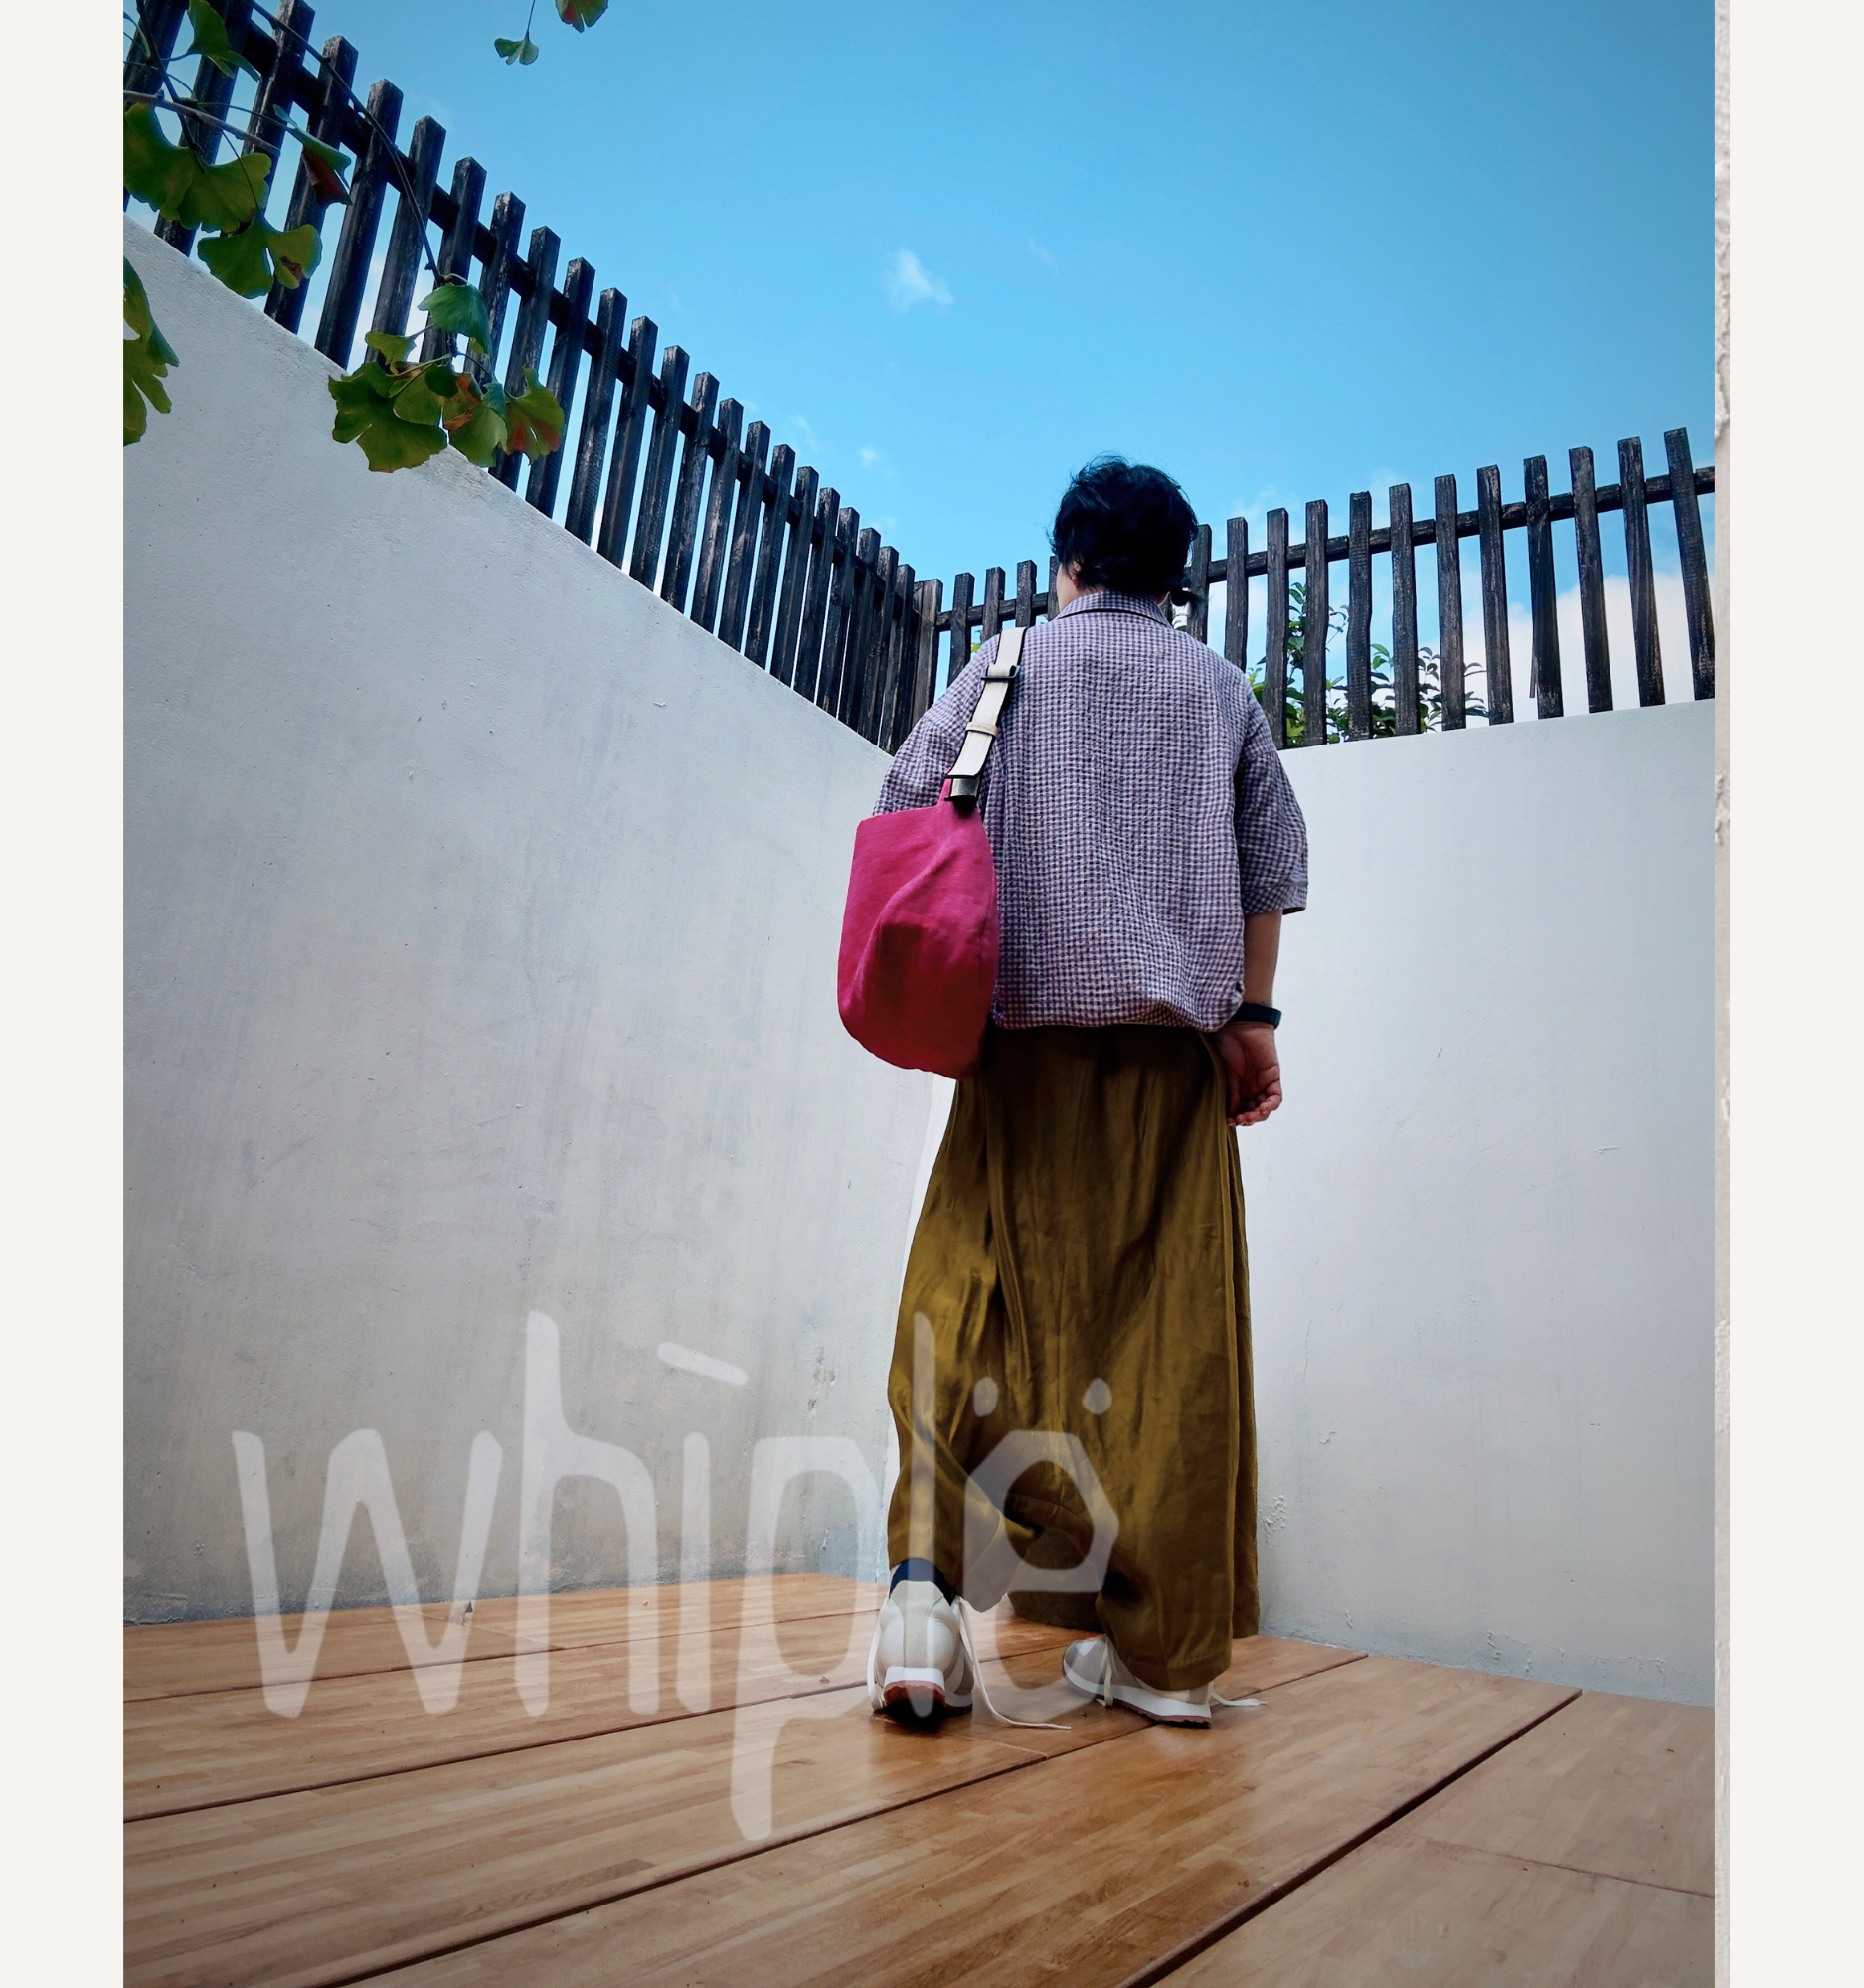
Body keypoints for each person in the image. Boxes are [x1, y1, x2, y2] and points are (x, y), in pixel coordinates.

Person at [864, 457, 1309, 1728]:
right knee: (1169, 1345)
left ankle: (920, 1598)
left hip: (1019, 1057)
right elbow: (1273, 863)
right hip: (1172, 1070)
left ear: (1067, 559)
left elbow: (902, 804)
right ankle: (1163, 1660)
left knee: (960, 1297)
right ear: (1175, 576)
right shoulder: (1219, 690)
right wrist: (1253, 1021)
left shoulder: (1007, 665)